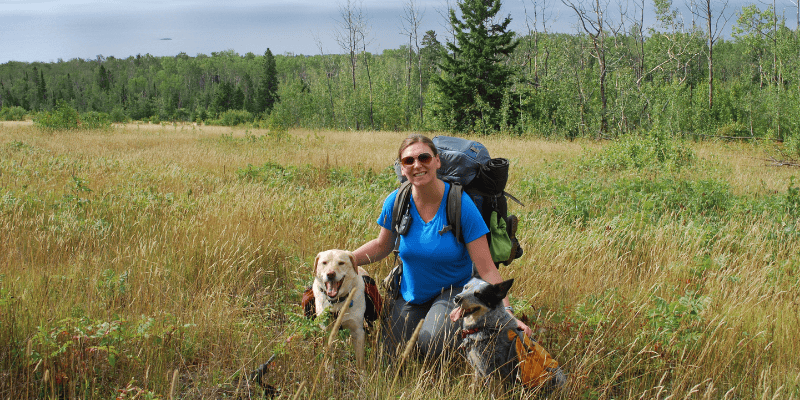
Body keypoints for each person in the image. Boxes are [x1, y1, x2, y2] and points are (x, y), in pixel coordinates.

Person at [352, 134, 532, 360]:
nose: (417, 165)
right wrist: (344, 260)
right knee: (391, 355)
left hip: (454, 291)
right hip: (412, 293)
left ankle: (468, 338)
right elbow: (381, 246)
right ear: (402, 168)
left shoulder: (460, 204)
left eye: (424, 157)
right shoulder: (397, 201)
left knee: (433, 342)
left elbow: (487, 268)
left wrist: (507, 313)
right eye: (409, 160)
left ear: (437, 161)